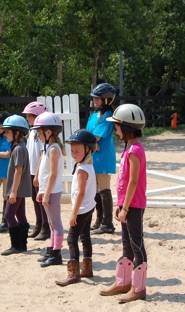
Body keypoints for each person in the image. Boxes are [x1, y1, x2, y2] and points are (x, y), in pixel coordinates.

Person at [100, 103, 147, 303]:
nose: (115, 130)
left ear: (126, 127)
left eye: (117, 126)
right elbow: (124, 181)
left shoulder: (135, 150)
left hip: (134, 205)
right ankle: (123, 281)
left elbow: (134, 182)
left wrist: (126, 207)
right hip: (126, 204)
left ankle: (139, 287)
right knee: (126, 243)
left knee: (136, 245)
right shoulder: (128, 149)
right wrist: (120, 204)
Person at [55, 129, 97, 286]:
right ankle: (87, 268)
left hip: (81, 209)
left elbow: (80, 193)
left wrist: (74, 213)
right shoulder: (88, 166)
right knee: (85, 236)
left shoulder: (81, 169)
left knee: (72, 239)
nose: (73, 154)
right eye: (72, 151)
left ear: (87, 149)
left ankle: (74, 273)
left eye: (77, 151)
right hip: (89, 206)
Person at [31, 112, 65, 268]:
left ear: (49, 132)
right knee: (51, 223)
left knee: (56, 223)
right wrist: (41, 191)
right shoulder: (49, 147)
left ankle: (56, 254)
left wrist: (47, 193)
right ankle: (51, 249)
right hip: (47, 190)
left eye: (40, 132)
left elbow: (52, 175)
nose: (38, 135)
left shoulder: (54, 150)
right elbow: (44, 174)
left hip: (53, 191)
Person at [86, 83, 116, 234]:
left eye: (98, 98)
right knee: (96, 190)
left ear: (106, 100)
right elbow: (89, 136)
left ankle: (107, 223)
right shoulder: (93, 116)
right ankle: (99, 219)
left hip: (103, 157)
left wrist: (91, 142)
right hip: (94, 156)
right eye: (94, 98)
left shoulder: (108, 117)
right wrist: (91, 143)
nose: (95, 101)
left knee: (104, 188)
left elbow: (95, 136)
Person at [0, 115, 32, 256]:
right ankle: (23, 244)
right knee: (20, 214)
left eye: (8, 132)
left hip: (17, 189)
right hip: (21, 188)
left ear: (17, 133)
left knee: (8, 214)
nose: (5, 134)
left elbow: (19, 171)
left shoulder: (18, 149)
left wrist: (13, 191)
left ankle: (16, 245)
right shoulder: (21, 147)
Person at [22, 102, 50, 241]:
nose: (27, 119)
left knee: (40, 199)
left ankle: (46, 226)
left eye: (29, 116)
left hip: (39, 172)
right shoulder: (32, 132)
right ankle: (39, 224)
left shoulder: (40, 134)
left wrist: (37, 174)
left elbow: (41, 154)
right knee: (34, 199)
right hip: (32, 171)